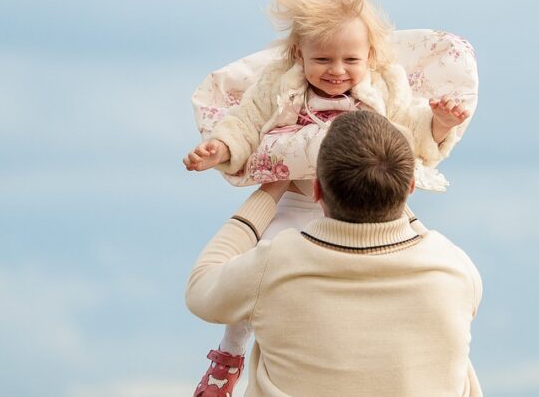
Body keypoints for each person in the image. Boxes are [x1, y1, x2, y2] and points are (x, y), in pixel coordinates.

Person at [182, 0, 472, 395]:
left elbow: (408, 129)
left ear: (371, 55)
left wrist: (439, 123)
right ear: (298, 55)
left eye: (350, 59)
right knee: (258, 262)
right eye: (322, 59)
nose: (336, 71)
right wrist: (221, 149)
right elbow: (245, 124)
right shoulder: (278, 85)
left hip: (366, 200)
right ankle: (230, 352)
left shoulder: (385, 85)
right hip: (295, 199)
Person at [186, 110, 483, 396]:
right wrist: (389, 188)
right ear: (411, 187)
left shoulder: (276, 264)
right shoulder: (455, 269)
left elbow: (201, 288)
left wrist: (271, 189)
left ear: (317, 190)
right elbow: (417, 239)